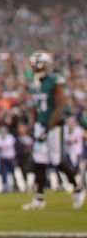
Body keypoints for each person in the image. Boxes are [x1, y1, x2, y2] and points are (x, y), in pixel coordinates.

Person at [21, 51, 85, 210]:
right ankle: (39, 198)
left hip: (54, 126)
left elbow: (60, 106)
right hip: (41, 126)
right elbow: (37, 108)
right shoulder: (36, 83)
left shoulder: (54, 81)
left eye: (37, 65)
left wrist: (48, 127)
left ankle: (77, 188)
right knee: (38, 161)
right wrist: (34, 124)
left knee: (57, 161)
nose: (34, 68)